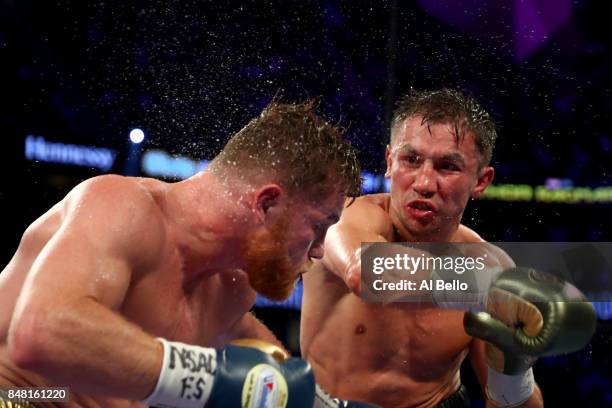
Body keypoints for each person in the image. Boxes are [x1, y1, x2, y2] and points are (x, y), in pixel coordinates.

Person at [0, 100, 362, 407]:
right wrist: (207, 379)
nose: (318, 249)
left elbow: (239, 333)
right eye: (318, 226)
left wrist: (313, 400)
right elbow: (39, 332)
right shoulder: (121, 208)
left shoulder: (232, 286)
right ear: (267, 204)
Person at [301, 89, 593, 408]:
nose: (424, 183)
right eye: (411, 160)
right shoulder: (348, 216)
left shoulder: (490, 261)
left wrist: (512, 371)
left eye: (447, 166)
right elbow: (365, 271)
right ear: (389, 162)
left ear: (481, 181)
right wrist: (489, 288)